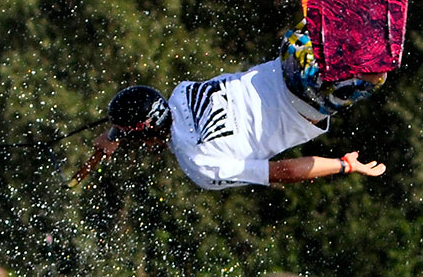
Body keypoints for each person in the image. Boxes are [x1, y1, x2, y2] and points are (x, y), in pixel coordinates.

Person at [70, 21, 388, 190]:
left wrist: (345, 164)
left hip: (309, 97)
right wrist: (112, 138)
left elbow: (284, 170)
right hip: (291, 53)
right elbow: (148, 116)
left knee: (378, 72)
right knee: (352, 36)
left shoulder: (201, 165)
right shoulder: (182, 93)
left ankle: (369, 70)